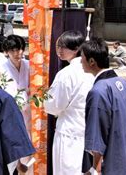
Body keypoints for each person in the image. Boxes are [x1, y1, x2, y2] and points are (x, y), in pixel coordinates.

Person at [81, 38, 126, 174]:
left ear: (92, 61)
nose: (81, 62)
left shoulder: (98, 91)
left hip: (114, 163)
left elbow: (97, 136)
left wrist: (94, 170)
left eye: (82, 58)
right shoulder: (124, 83)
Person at [43, 31, 94, 175]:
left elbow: (54, 106)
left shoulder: (66, 74)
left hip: (69, 132)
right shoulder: (91, 71)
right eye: (58, 46)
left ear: (76, 49)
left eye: (63, 47)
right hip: (86, 130)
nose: (59, 51)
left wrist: (46, 99)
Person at [0, 34, 31, 133]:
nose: (18, 53)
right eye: (13, 50)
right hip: (11, 112)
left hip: (29, 111)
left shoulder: (29, 65)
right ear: (7, 52)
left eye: (20, 49)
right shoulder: (2, 69)